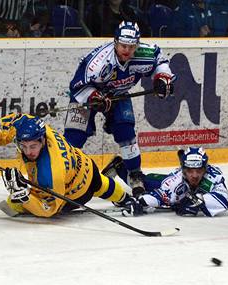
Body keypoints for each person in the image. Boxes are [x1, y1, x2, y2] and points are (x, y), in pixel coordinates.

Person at [64, 21, 175, 198]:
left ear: (137, 45)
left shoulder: (144, 54)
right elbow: (76, 87)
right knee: (73, 139)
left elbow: (160, 60)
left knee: (126, 131)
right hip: (86, 95)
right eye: (123, 45)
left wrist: (162, 77)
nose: (127, 50)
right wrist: (94, 97)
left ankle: (135, 174)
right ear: (115, 42)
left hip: (118, 95)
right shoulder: (98, 63)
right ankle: (64, 176)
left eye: (132, 46)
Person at [0, 113, 140, 217]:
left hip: (76, 193)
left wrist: (24, 196)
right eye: (23, 146)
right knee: (99, 183)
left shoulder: (52, 172)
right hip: (85, 163)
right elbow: (8, 124)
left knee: (14, 202)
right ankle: (125, 199)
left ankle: (125, 199)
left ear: (42, 140)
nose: (28, 152)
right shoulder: (37, 127)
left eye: (33, 146)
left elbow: (50, 210)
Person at [103, 147, 228, 217]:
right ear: (183, 170)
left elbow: (224, 200)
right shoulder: (175, 182)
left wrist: (198, 200)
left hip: (178, 186)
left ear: (205, 168)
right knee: (144, 183)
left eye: (199, 170)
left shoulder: (214, 175)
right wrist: (139, 202)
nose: (195, 175)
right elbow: (158, 197)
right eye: (190, 170)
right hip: (166, 181)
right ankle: (119, 166)